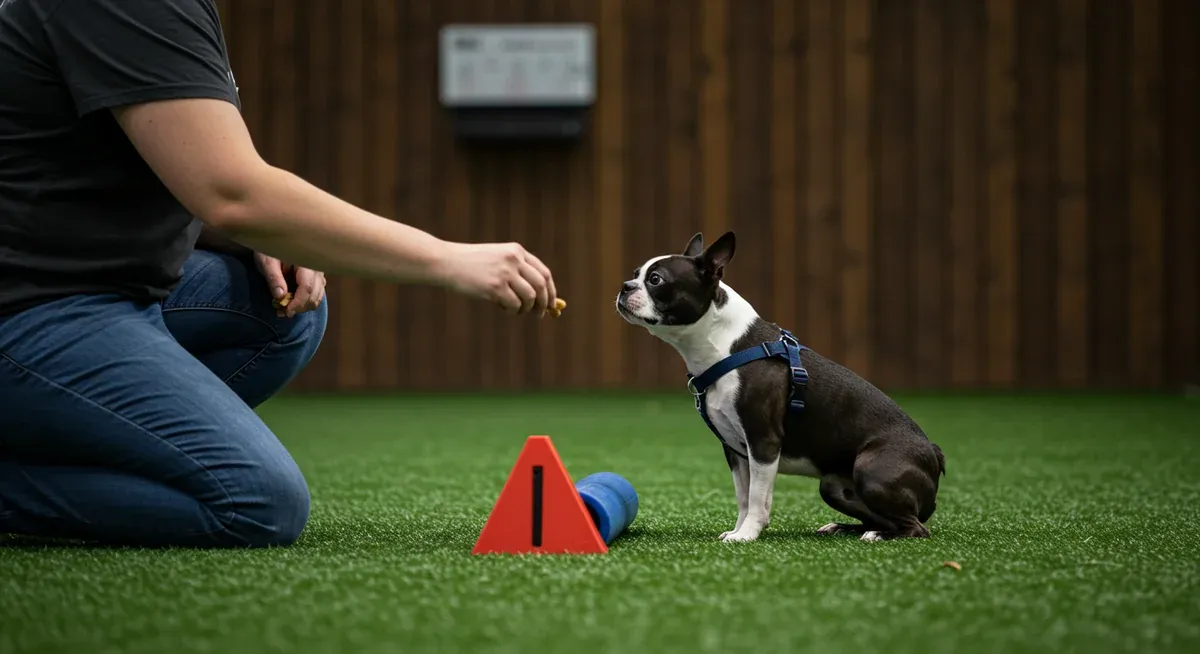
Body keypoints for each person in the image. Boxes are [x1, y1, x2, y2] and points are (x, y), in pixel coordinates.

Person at [0, 0, 558, 548]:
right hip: (34, 305)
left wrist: (239, 235)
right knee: (256, 500)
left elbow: (145, 170)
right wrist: (447, 258)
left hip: (105, 286)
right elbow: (234, 193)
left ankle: (64, 436)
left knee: (279, 312)